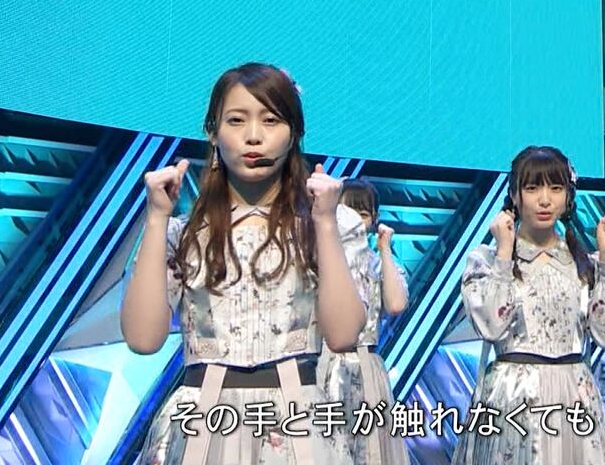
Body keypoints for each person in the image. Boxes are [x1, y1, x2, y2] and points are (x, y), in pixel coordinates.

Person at [121, 63, 365, 464]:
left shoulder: (331, 223)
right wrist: (156, 217)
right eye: (236, 120)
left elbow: (342, 336)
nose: (254, 135)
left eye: (271, 120)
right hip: (203, 425)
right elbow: (143, 340)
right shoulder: (182, 232)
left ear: (294, 133)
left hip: (296, 423)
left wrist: (323, 222)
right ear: (212, 132)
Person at [452, 145, 605, 464]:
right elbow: (490, 326)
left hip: (574, 395)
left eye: (556, 188)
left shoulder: (584, 264)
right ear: (515, 195)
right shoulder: (486, 260)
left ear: (568, 197)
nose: (545, 200)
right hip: (514, 398)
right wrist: (504, 254)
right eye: (533, 188)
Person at [318, 178, 410, 464]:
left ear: (374, 219)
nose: (354, 221)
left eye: (363, 213)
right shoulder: (318, 258)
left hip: (366, 367)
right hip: (324, 366)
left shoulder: (379, 263)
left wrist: (385, 250)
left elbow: (396, 304)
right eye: (345, 211)